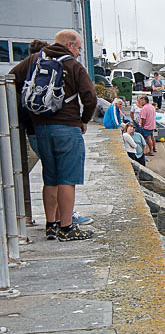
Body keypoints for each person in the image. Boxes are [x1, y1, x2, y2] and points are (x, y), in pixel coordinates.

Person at [9, 29, 96, 241]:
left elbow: (12, 79)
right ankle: (67, 227)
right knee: (68, 179)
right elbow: (90, 97)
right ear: (69, 45)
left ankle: (51, 226)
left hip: (41, 129)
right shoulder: (73, 66)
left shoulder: (34, 60)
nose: (79, 52)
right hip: (67, 128)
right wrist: (83, 120)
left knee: (50, 178)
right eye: (78, 48)